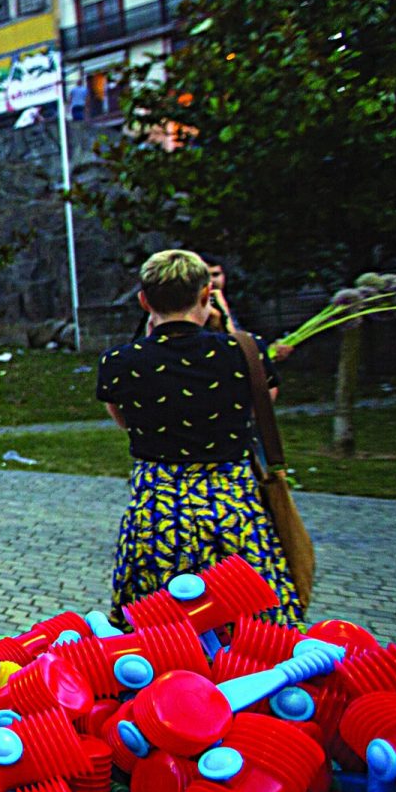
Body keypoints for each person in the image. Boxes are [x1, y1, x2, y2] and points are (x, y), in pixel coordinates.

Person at [96, 249, 304, 625]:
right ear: (207, 295)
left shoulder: (120, 362)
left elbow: (125, 421)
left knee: (157, 634)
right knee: (252, 631)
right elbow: (259, 411)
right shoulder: (246, 353)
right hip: (235, 512)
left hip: (159, 515)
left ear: (144, 300)